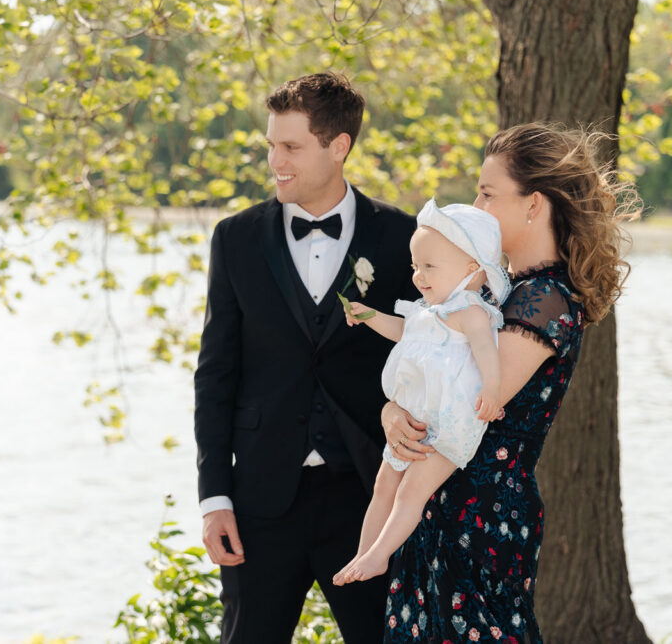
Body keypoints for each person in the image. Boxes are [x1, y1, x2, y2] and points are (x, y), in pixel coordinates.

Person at [379, 122, 638, 643]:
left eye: (488, 193)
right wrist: (391, 412)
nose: (475, 205)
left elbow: (466, 398)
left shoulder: (545, 297)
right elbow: (432, 371)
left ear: (534, 205)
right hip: (440, 501)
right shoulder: (501, 291)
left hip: (482, 516)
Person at [193, 71, 419, 643]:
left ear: (338, 146)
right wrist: (215, 497)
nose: (276, 161)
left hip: (371, 494)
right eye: (272, 145)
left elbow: (429, 358)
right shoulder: (235, 238)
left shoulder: (402, 238)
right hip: (262, 503)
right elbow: (216, 375)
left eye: (291, 146)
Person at [331, 199, 510, 586]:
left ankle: (379, 556)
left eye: (429, 266)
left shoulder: (471, 312)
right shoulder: (425, 312)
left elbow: (487, 354)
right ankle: (363, 553)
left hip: (451, 424)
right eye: (415, 266)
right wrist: (368, 316)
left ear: (471, 270)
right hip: (418, 417)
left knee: (413, 488)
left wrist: (493, 392)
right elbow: (401, 331)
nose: (418, 276)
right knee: (384, 484)